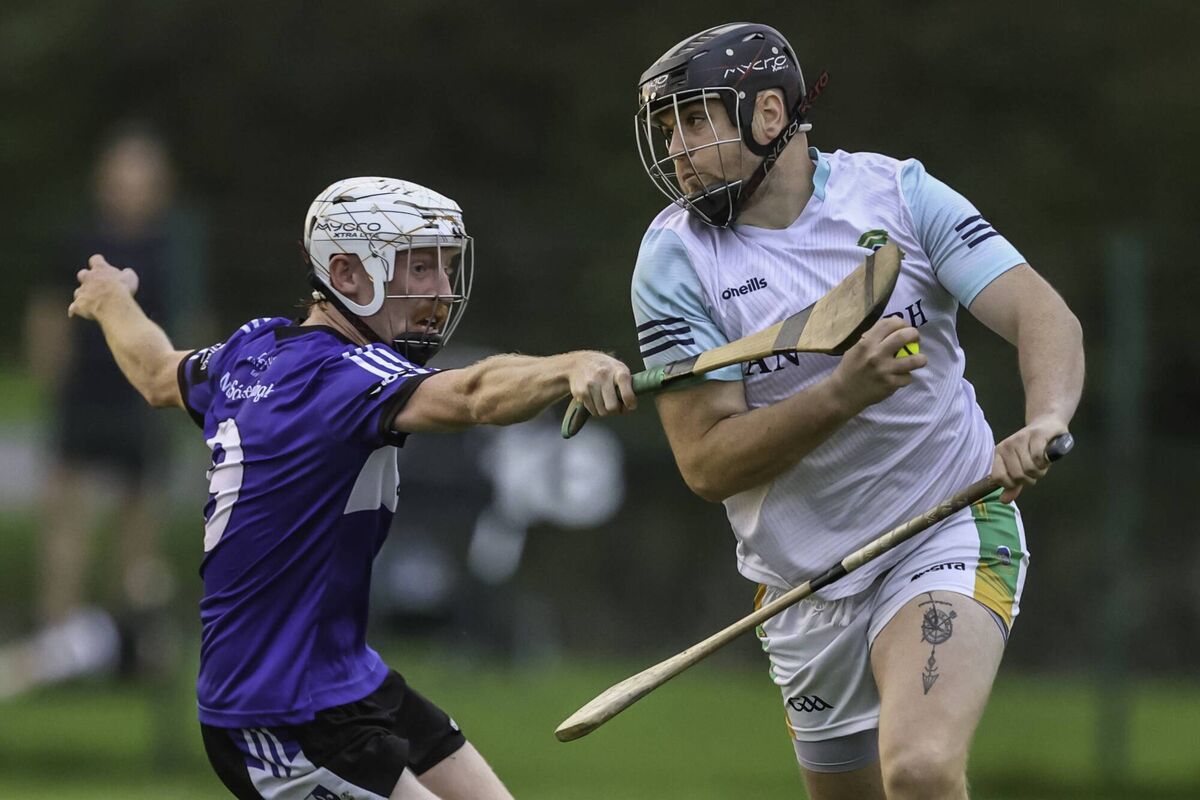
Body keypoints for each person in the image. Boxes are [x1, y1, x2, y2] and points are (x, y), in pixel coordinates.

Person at [66, 176, 635, 800]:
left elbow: (155, 372)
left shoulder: (252, 351)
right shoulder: (341, 377)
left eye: (447, 267)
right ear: (346, 273)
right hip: (272, 713)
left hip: (346, 680)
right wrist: (572, 366)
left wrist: (111, 301)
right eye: (419, 267)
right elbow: (473, 396)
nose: (441, 291)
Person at [628, 23, 1083, 800]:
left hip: (945, 523)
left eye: (695, 121)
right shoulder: (676, 259)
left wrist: (1045, 419)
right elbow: (706, 464)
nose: (676, 149)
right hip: (802, 584)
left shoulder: (897, 195)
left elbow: (1043, 315)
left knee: (922, 769)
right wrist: (841, 394)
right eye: (667, 130)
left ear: (769, 113)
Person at [7, 124, 204, 697]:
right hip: (85, 395)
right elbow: (48, 312)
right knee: (67, 516)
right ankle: (58, 641)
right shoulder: (80, 241)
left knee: (139, 524)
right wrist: (51, 375)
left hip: (144, 400)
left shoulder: (173, 248)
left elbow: (190, 324)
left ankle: (137, 642)